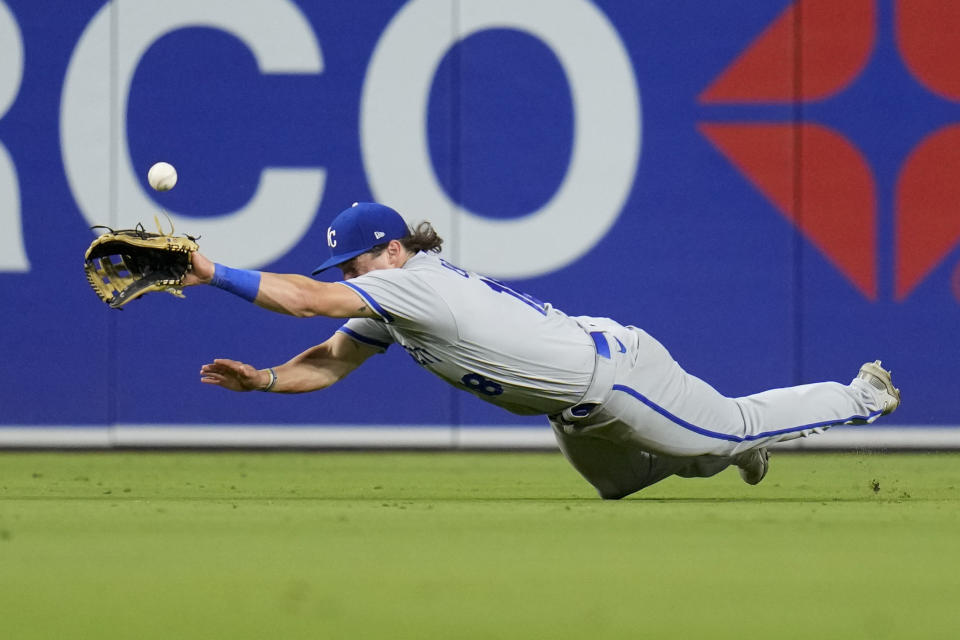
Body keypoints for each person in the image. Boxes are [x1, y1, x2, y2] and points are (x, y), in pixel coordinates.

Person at [184, 202, 901, 499]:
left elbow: (304, 301)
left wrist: (209, 271)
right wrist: (266, 380)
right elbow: (331, 357)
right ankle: (720, 450)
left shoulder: (412, 287)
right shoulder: (395, 299)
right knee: (622, 487)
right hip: (574, 411)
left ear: (394, 251)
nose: (347, 280)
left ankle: (861, 394)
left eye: (356, 265)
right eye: (344, 272)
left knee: (727, 429)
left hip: (617, 374)